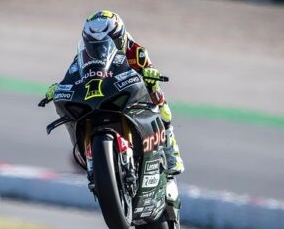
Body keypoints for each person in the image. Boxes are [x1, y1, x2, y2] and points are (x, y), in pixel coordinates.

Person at [44, 10, 184, 175]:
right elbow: (73, 75)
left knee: (162, 106)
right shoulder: (83, 57)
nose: (101, 48)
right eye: (93, 44)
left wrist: (150, 75)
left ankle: (171, 151)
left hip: (129, 90)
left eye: (110, 41)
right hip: (102, 93)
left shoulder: (135, 51)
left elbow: (149, 70)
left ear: (121, 37)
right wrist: (59, 87)